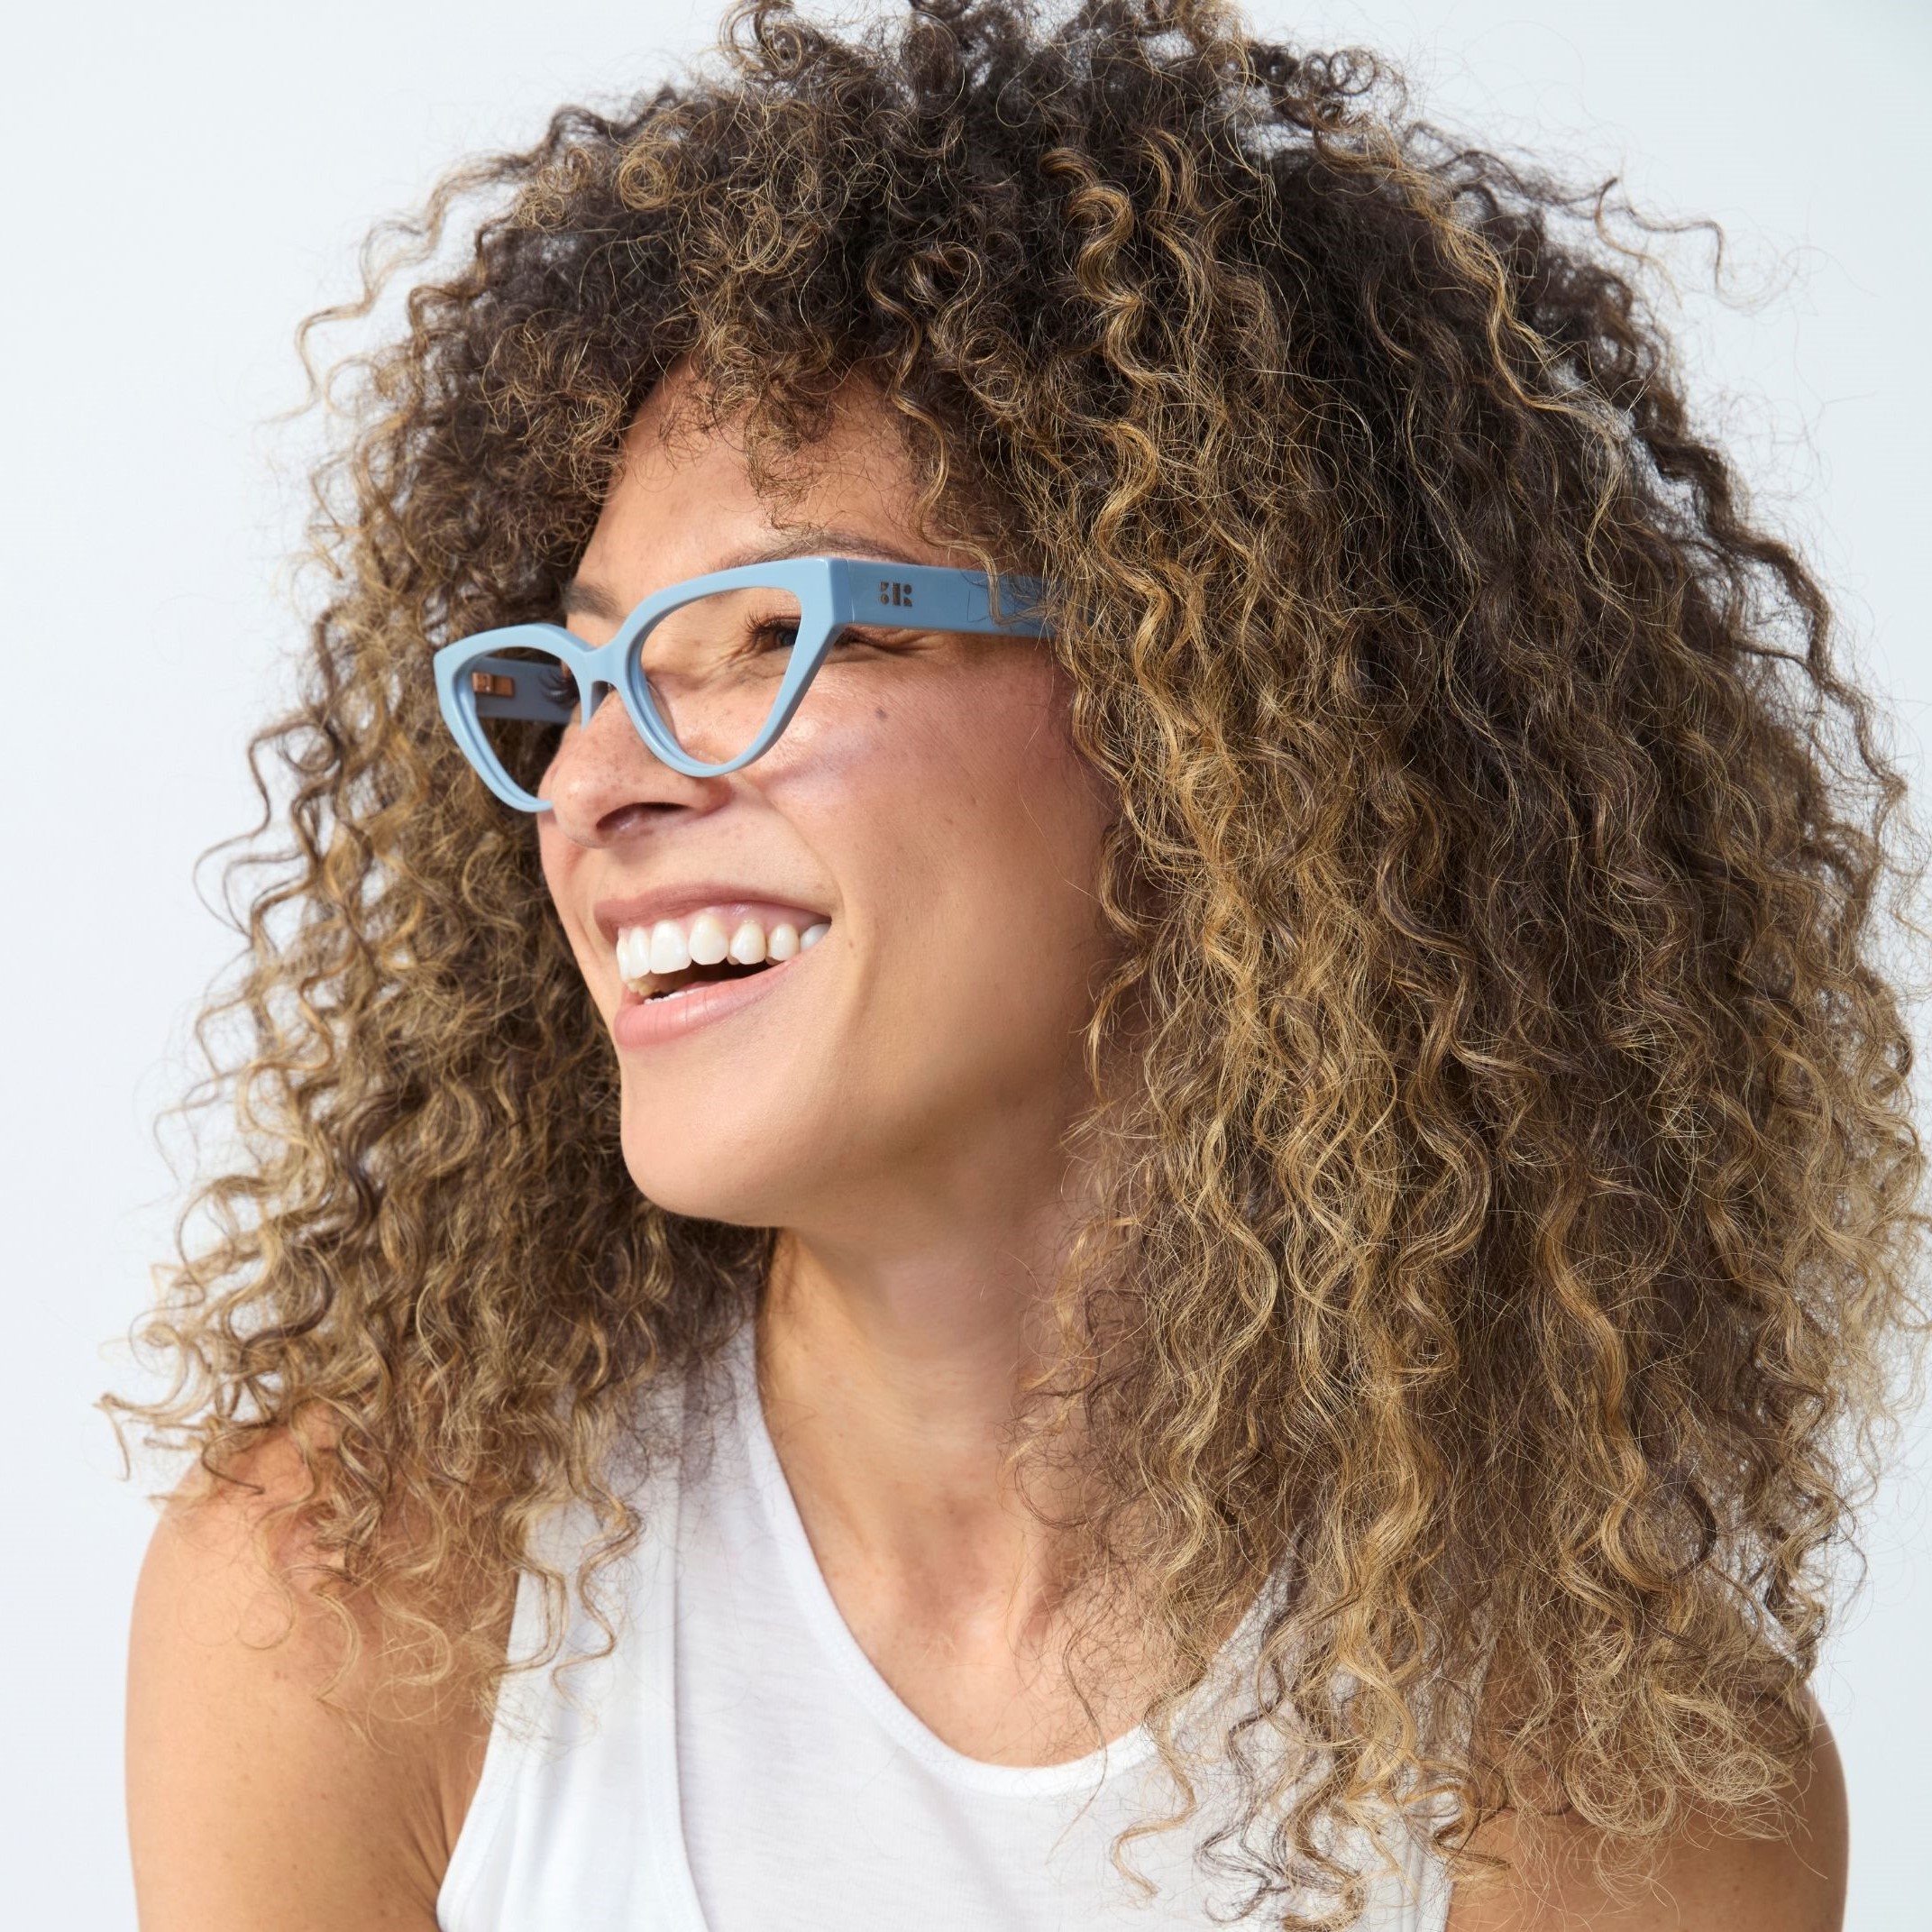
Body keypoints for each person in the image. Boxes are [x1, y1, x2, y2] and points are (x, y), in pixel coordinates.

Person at [110, 0, 1913, 1926]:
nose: (597, 787)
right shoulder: (358, 1599)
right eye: (580, 674)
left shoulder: (1600, 1766)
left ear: (1211, 714)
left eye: (782, 637)